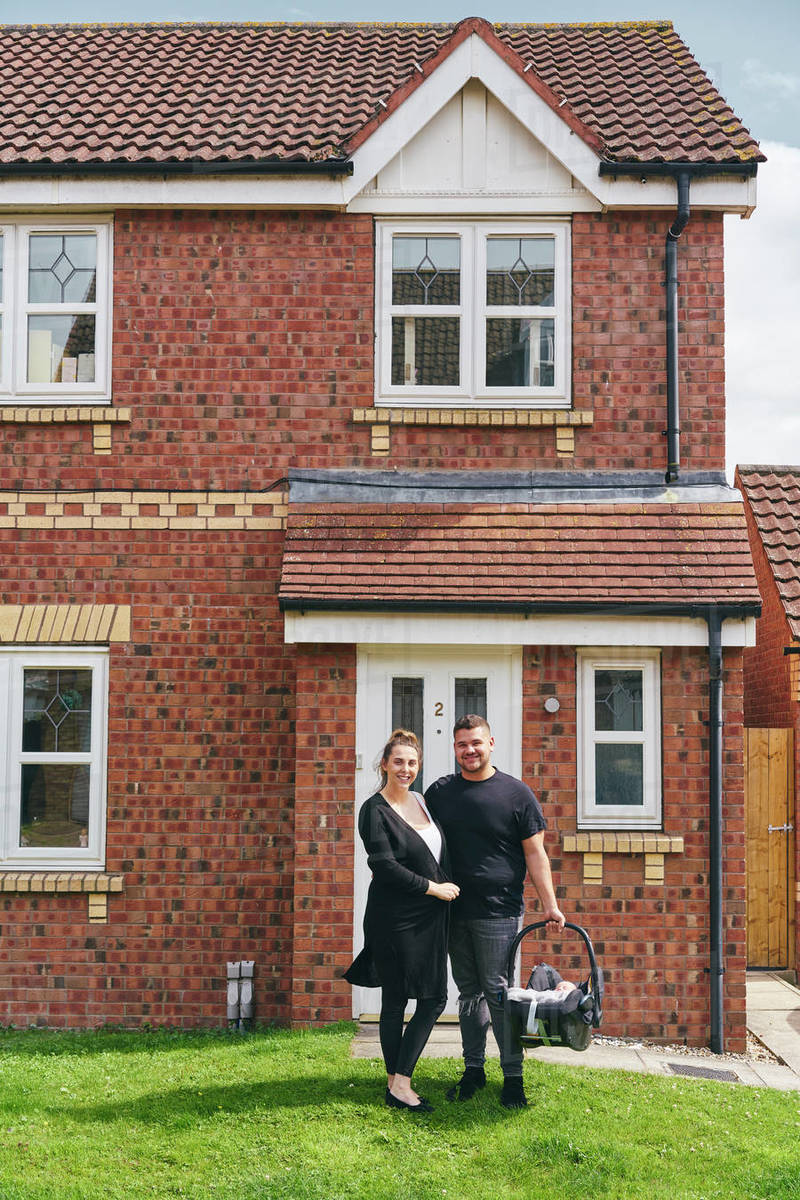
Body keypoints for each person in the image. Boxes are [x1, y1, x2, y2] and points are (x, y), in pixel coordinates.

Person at [425, 714, 565, 1109]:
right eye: (461, 745)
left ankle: (513, 1078)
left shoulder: (516, 794)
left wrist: (551, 906)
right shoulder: (439, 793)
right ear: (454, 749)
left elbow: (536, 855)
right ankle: (473, 1070)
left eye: (476, 743)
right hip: (452, 910)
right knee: (469, 995)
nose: (469, 751)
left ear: (491, 743)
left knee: (500, 995)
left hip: (499, 912)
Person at [344, 729, 460, 1113]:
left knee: (429, 997)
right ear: (384, 764)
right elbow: (384, 866)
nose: (405, 769)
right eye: (398, 762)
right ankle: (401, 1084)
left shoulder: (423, 802)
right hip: (394, 918)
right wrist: (433, 888)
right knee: (404, 998)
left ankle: (396, 1082)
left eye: (412, 762)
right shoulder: (373, 810)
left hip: (430, 917)